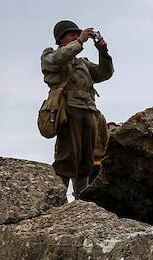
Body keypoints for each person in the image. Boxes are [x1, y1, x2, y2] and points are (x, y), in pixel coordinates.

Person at [41, 20, 113, 195]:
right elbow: (59, 59)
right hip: (67, 111)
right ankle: (57, 198)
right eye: (71, 34)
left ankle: (81, 199)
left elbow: (104, 73)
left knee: (85, 160)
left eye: (77, 34)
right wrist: (80, 41)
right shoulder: (50, 55)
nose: (75, 36)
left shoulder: (82, 63)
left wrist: (103, 51)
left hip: (89, 111)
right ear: (60, 39)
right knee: (66, 158)